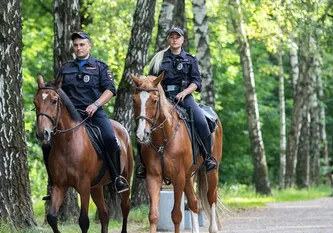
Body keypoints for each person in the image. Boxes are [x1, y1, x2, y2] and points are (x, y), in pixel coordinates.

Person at [45, 32, 129, 197]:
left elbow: (110, 90)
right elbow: (57, 91)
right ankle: (52, 181)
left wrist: (96, 104)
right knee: (47, 143)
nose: (78, 48)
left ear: (89, 45)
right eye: (76, 45)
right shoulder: (65, 68)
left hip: (94, 112)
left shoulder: (100, 66)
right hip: (70, 115)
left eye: (82, 44)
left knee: (110, 138)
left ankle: (116, 177)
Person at [136, 27, 218, 178]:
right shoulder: (158, 59)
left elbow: (196, 82)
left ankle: (207, 158)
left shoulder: (190, 59)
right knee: (143, 125)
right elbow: (150, 81)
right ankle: (143, 164)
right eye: (172, 37)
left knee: (201, 122)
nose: (174, 39)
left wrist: (185, 92)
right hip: (162, 99)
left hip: (184, 97)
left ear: (182, 40)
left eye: (177, 37)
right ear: (168, 39)